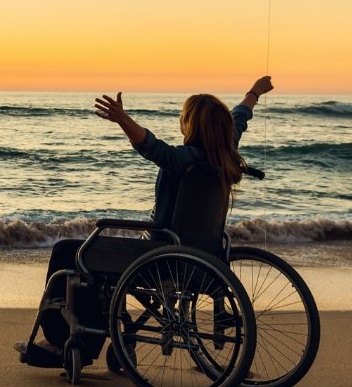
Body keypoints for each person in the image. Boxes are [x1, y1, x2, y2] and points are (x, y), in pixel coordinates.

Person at [14, 76, 274, 365]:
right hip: (205, 261)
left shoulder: (183, 160)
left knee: (70, 252)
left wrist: (123, 119)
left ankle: (60, 341)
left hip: (159, 257)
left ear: (191, 124)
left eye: (184, 117)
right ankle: (109, 341)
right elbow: (240, 116)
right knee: (98, 257)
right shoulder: (226, 155)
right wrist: (254, 92)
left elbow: (151, 146)